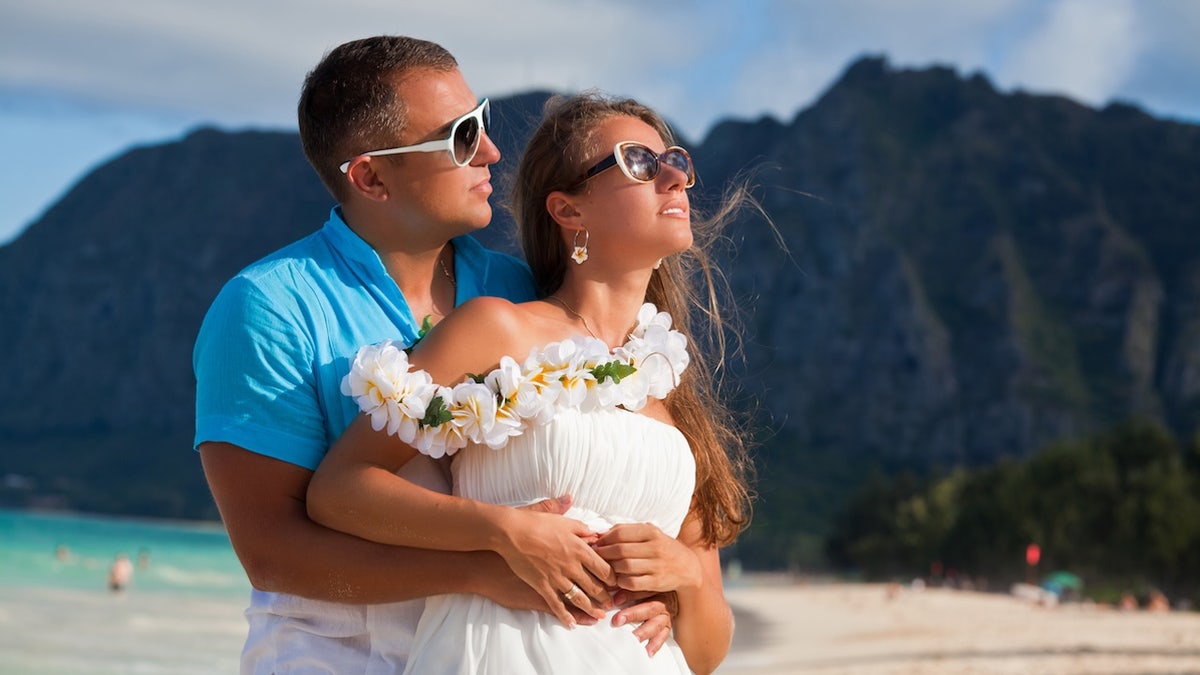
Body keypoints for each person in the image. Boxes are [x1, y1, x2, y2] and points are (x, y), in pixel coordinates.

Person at [194, 36, 674, 673]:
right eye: (462, 137)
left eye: (482, 123)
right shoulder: (269, 307)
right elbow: (273, 554)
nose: (492, 152)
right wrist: (478, 571)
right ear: (370, 176)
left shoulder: (518, 290)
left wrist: (655, 590)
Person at [307, 92, 753, 674]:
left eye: (675, 161)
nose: (673, 178)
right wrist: (503, 531)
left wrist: (687, 579)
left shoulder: (669, 382)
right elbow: (338, 491)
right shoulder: (495, 330)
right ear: (569, 211)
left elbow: (704, 655)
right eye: (639, 162)